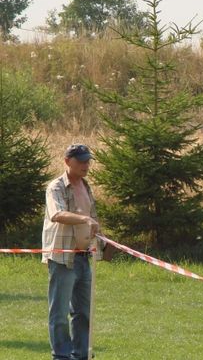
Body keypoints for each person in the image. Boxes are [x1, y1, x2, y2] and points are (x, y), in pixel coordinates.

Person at [43, 144, 109, 360]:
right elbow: (57, 214)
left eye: (88, 160)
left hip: (84, 258)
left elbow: (92, 218)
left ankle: (80, 355)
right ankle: (61, 356)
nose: (86, 165)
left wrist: (101, 244)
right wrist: (84, 219)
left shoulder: (86, 186)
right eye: (81, 160)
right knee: (59, 314)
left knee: (83, 313)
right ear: (67, 161)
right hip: (63, 259)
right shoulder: (56, 187)